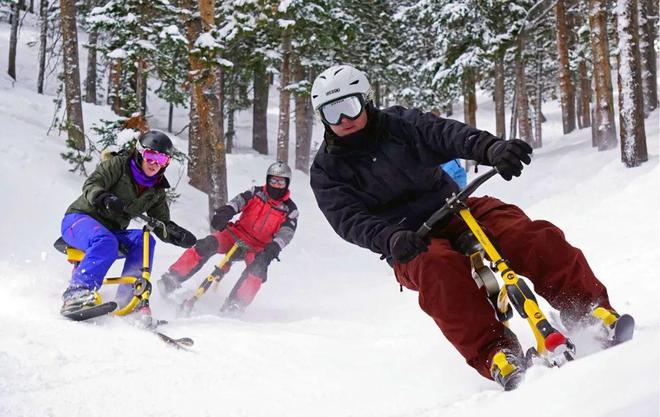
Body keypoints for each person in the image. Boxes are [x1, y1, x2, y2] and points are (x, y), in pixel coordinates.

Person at [308, 64, 630, 390]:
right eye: (332, 113)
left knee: (527, 235)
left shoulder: (400, 125)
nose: (343, 120)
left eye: (349, 107)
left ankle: (589, 310)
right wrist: (389, 238)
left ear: (366, 100)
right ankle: (496, 352)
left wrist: (491, 149)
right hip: (409, 240)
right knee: (438, 271)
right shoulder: (326, 170)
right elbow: (346, 218)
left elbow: (446, 134)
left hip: (456, 208)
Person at [60, 130, 197, 320]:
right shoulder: (119, 165)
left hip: (110, 232)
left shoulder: (156, 190)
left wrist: (176, 234)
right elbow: (92, 184)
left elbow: (160, 223)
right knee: (105, 240)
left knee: (144, 240)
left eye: (162, 159)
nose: (154, 163)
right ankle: (77, 292)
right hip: (79, 220)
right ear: (140, 153)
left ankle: (129, 297)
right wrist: (104, 197)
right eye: (150, 156)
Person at [158, 161, 298, 313]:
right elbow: (237, 202)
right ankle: (172, 279)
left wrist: (274, 247)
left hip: (257, 247)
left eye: (280, 182)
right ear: (267, 180)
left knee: (259, 269)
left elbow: (286, 233)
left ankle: (235, 305)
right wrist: (225, 213)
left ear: (287, 184)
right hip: (235, 234)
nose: (276, 185)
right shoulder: (256, 193)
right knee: (207, 244)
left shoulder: (290, 209)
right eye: (273, 181)